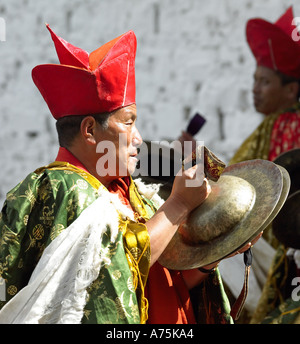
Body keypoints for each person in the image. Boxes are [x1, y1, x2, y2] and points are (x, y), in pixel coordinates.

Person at [0, 24, 258, 324]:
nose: (137, 139)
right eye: (128, 122)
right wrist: (177, 206)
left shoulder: (131, 193)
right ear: (89, 131)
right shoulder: (60, 187)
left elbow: (154, 284)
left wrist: (214, 254)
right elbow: (111, 271)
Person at [228, 6, 300, 324]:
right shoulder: (274, 125)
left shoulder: (277, 126)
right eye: (255, 80)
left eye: (265, 81)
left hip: (277, 256)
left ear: (291, 89)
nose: (255, 89)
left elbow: (228, 183)